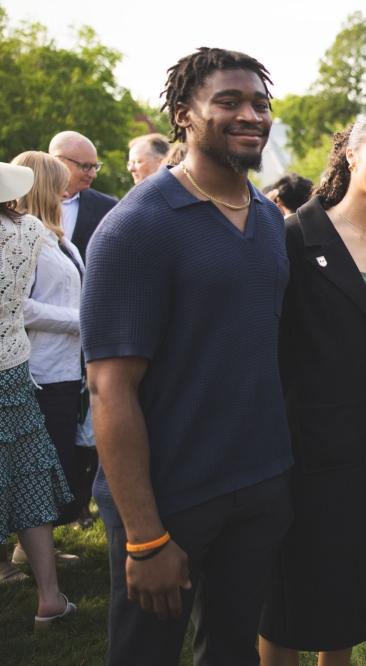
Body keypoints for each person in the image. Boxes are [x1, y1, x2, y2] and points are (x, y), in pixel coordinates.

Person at [83, 48, 293, 665]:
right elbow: (108, 391)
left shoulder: (266, 217)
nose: (249, 114)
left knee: (231, 652)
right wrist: (146, 539)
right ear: (184, 115)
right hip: (170, 495)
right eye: (227, 102)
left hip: (259, 484)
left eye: (259, 103)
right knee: (145, 655)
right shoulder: (136, 228)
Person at [259, 116, 366, 665]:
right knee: (291, 591)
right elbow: (271, 346)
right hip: (308, 447)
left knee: (349, 593)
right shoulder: (296, 237)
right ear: (351, 155)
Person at [0, 159, 77, 627]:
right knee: (27, 474)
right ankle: (49, 595)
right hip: (12, 366)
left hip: (20, 364)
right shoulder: (28, 230)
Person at [10, 152, 86, 571]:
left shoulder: (58, 238)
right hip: (36, 370)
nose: (67, 190)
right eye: (60, 182)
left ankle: (35, 547)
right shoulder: (23, 240)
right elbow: (17, 307)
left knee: (53, 462)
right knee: (30, 468)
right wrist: (80, 322)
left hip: (63, 370)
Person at [48, 130, 118, 260]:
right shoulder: (24, 202)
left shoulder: (108, 209)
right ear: (58, 161)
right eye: (85, 166)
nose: (93, 174)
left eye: (95, 167)